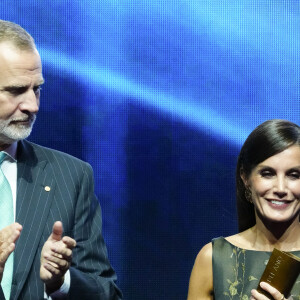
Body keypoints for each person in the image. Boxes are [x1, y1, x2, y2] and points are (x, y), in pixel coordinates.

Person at [0, 20, 122, 299]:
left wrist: (61, 282)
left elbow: (108, 294)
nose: (32, 105)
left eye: (37, 89)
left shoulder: (72, 176)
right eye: (17, 90)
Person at [187, 119, 300, 299]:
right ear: (245, 178)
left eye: (294, 175)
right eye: (267, 173)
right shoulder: (213, 259)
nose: (280, 188)